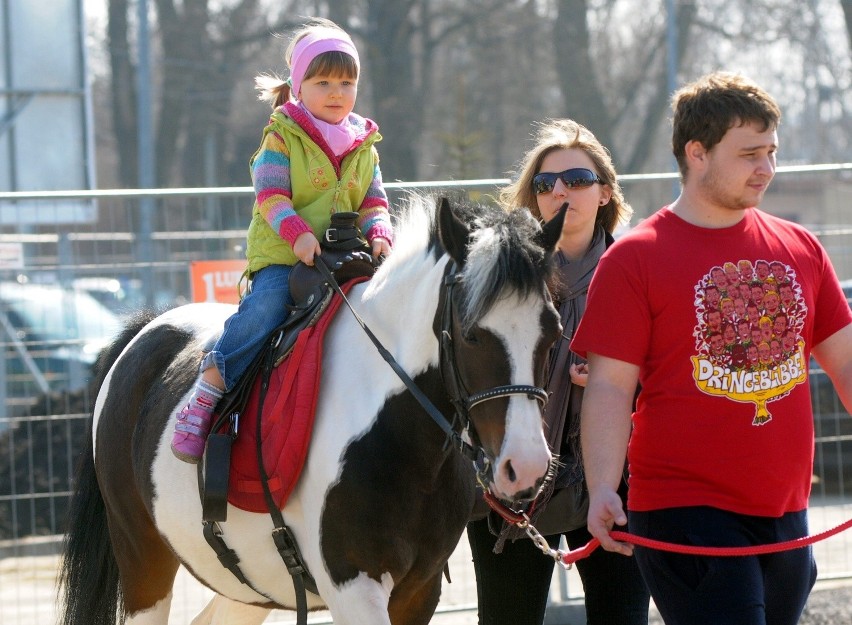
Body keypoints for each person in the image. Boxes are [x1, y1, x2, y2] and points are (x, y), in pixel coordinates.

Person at [573, 71, 852, 625]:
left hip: (786, 509)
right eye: (749, 154)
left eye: (771, 152)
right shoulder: (634, 259)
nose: (766, 168)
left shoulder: (801, 249)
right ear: (696, 153)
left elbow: (845, 360)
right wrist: (603, 485)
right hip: (684, 511)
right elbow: (608, 386)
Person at [171, 17, 393, 463]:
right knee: (267, 308)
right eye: (323, 81)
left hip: (343, 255)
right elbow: (270, 196)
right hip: (285, 255)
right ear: (298, 87)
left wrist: (381, 235)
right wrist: (298, 237)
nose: (336, 92)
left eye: (347, 82)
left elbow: (374, 200)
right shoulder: (283, 134)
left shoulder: (364, 143)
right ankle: (211, 384)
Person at [466, 119, 650, 625]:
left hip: (620, 482)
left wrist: (621, 385)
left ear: (606, 190)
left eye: (577, 179)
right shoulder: (500, 276)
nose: (560, 191)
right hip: (514, 480)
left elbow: (671, 370)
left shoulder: (637, 268)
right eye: (546, 184)